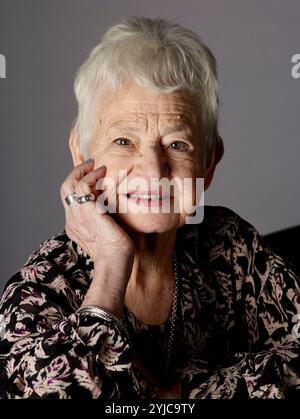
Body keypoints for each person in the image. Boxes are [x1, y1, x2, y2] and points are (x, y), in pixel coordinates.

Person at [0, 16, 299, 399]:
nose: (154, 171)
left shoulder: (232, 247)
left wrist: (183, 396)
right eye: (124, 140)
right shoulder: (39, 293)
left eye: (177, 144)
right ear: (82, 152)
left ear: (210, 161)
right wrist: (111, 267)